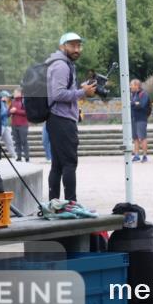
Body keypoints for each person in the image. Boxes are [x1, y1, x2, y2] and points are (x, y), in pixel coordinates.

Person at [45, 32, 96, 200]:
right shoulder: (61, 65)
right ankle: (70, 203)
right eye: (72, 45)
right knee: (69, 164)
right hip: (62, 119)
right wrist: (83, 92)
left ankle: (55, 203)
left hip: (56, 119)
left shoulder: (62, 63)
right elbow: (58, 94)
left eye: (79, 46)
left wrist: (79, 89)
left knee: (58, 165)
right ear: (62, 47)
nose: (77, 49)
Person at [129, 79, 150, 162]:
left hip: (141, 118)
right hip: (133, 118)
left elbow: (141, 105)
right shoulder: (133, 94)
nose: (130, 86)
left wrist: (133, 104)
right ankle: (136, 155)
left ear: (137, 86)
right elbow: (132, 105)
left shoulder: (143, 94)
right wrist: (134, 103)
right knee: (135, 138)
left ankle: (145, 156)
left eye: (131, 85)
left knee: (142, 137)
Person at [8, 89, 30, 161]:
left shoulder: (24, 101)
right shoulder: (13, 101)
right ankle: (19, 156)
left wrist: (16, 111)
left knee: (24, 141)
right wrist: (10, 112)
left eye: (15, 93)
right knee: (17, 141)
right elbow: (8, 112)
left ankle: (27, 157)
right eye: (14, 93)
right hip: (14, 125)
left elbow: (27, 112)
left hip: (23, 125)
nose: (14, 94)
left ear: (20, 93)